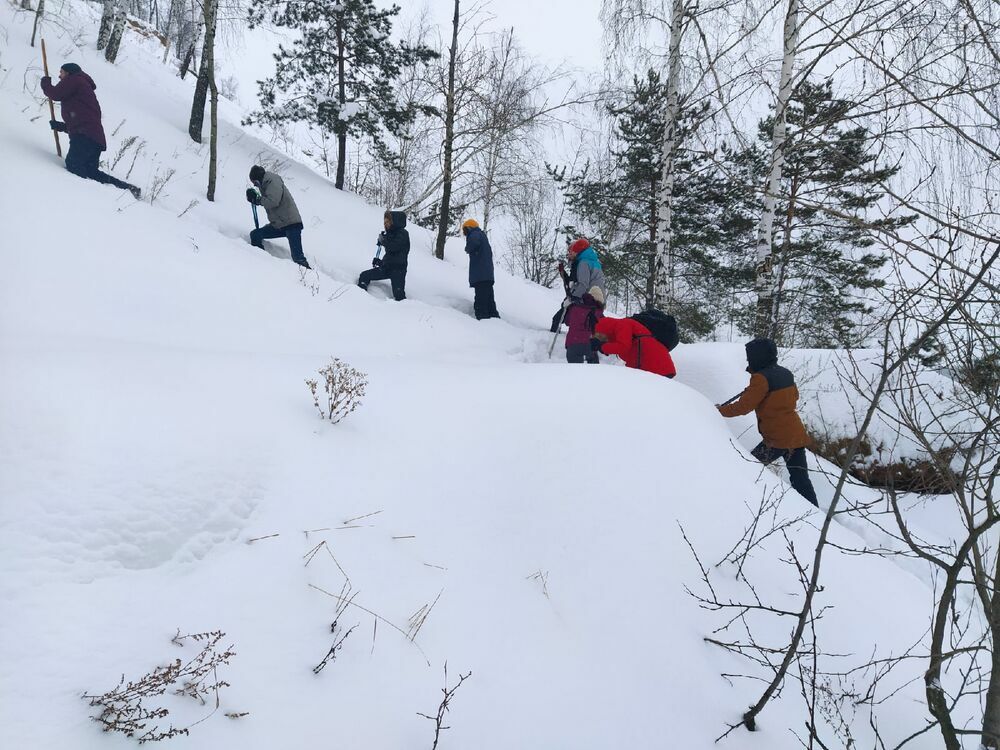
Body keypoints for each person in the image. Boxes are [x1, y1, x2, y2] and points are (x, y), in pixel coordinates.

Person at [717, 338, 819, 506]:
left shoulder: (761, 379)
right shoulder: (785, 373)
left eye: (750, 357)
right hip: (796, 435)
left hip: (777, 439)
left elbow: (743, 407)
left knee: (749, 468)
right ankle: (815, 512)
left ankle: (739, 501)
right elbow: (795, 397)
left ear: (757, 356)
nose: (748, 360)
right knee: (801, 480)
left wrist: (719, 411)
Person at [41, 63, 141, 199]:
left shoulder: (75, 80)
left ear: (69, 73)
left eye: (61, 72)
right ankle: (128, 189)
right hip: (93, 137)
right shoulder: (82, 86)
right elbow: (83, 118)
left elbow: (55, 94)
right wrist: (62, 127)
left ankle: (86, 196)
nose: (59, 76)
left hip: (85, 136)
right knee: (91, 172)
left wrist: (45, 82)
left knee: (74, 165)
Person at [246, 165, 310, 269]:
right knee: (255, 235)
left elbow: (273, 201)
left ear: (259, 178)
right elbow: (268, 200)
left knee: (298, 258)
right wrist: (255, 199)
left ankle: (309, 276)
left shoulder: (272, 181)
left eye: (255, 183)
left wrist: (258, 200)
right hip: (279, 224)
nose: (256, 186)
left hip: (291, 224)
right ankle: (261, 261)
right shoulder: (265, 184)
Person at [556, 238, 606, 363]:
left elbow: (583, 284)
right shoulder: (594, 261)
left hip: (588, 300)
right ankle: (591, 356)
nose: (569, 253)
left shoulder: (583, 262)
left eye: (571, 251)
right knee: (591, 326)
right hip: (598, 300)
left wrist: (572, 298)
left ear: (578, 251)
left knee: (582, 324)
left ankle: (583, 352)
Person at [591, 316, 676, 377]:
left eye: (600, 336)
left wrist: (602, 346)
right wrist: (604, 347)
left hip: (657, 368)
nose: (603, 339)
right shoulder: (617, 332)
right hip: (650, 369)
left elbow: (623, 347)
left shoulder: (622, 324)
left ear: (605, 329)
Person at [358, 211, 409, 301]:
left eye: (388, 222)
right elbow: (390, 255)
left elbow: (394, 247)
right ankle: (360, 297)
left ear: (394, 222)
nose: (385, 224)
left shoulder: (403, 233)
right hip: (387, 268)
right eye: (384, 222)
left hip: (398, 271)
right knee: (364, 275)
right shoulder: (390, 233)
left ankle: (407, 308)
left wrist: (383, 241)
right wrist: (380, 262)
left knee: (399, 295)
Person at [462, 219, 500, 320]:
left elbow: (473, 243)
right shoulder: (482, 235)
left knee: (481, 300)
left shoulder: (475, 234)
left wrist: (467, 248)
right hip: (487, 274)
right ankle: (495, 319)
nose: (464, 234)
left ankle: (482, 319)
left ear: (469, 228)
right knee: (489, 299)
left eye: (464, 230)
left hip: (481, 275)